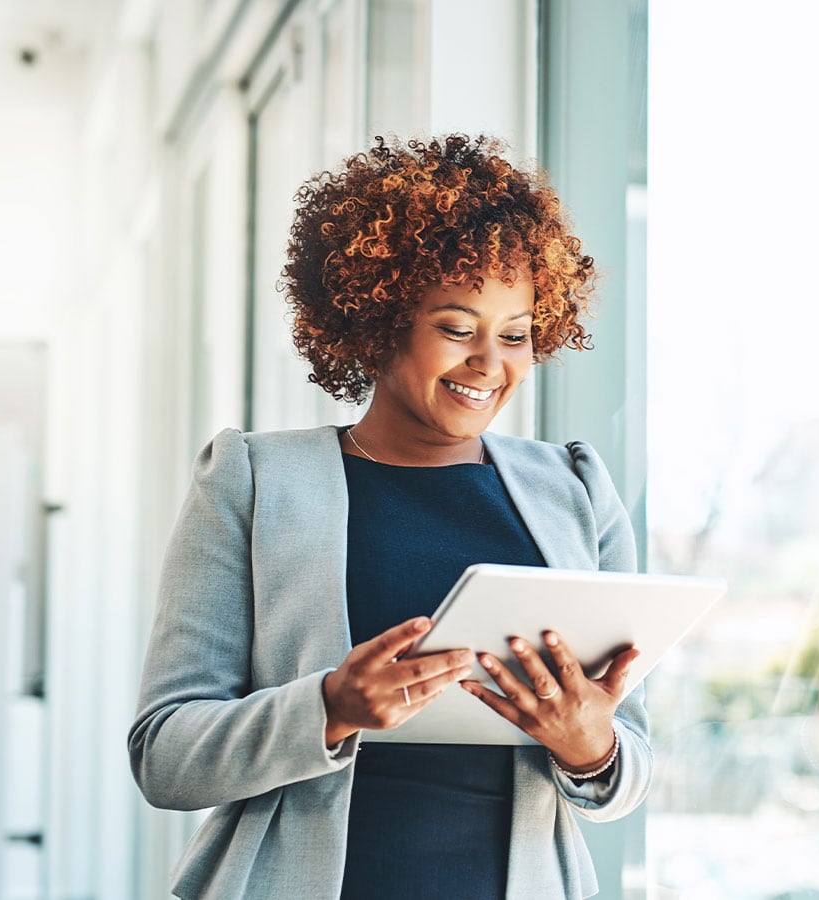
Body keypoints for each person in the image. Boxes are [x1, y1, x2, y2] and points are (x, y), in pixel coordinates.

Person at [127, 134, 649, 900]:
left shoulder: (575, 489)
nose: (490, 363)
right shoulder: (254, 480)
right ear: (378, 320)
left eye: (515, 334)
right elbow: (165, 757)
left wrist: (590, 746)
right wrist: (329, 709)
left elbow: (629, 767)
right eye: (457, 327)